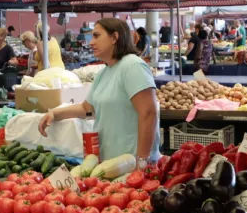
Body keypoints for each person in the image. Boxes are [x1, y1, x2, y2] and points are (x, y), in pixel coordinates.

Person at [38, 18, 159, 166]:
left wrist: (142, 161)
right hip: (112, 165)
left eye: (96, 36)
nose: (91, 42)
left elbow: (149, 112)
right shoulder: (105, 72)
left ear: (114, 37)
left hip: (132, 165)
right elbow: (87, 109)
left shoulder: (133, 66)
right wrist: (55, 113)